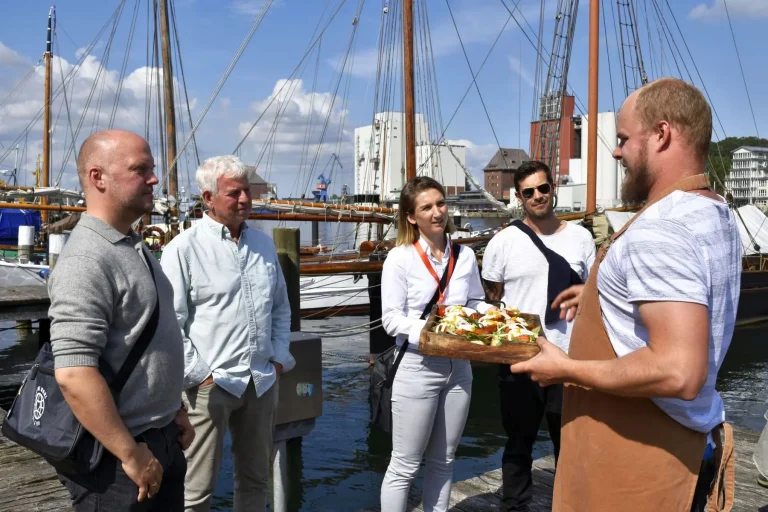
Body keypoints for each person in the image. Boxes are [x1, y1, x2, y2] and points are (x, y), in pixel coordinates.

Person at [511, 78, 741, 512]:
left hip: (634, 466)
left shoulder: (662, 230)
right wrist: (599, 295)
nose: (616, 152)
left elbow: (678, 371)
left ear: (661, 133)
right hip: (674, 449)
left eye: (622, 139)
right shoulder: (714, 211)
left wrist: (567, 368)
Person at [49, 130, 192, 510]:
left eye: (152, 168)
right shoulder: (87, 259)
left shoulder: (131, 245)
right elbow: (74, 373)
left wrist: (173, 409)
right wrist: (130, 454)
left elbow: (146, 340)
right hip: (116, 458)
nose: (154, 179)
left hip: (159, 436)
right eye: (140, 169)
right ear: (98, 177)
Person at [161, 155, 294, 512]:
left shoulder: (264, 245)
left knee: (255, 481)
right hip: (210, 386)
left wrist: (279, 358)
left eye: (246, 191)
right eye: (234, 193)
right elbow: (171, 323)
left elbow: (280, 307)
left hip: (261, 381)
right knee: (195, 489)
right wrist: (200, 376)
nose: (245, 199)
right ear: (208, 198)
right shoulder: (182, 250)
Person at [482, 160, 595, 512]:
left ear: (553, 188)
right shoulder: (503, 241)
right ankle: (515, 507)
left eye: (543, 188)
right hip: (521, 359)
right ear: (519, 197)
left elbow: (591, 298)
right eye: (528, 192)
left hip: (567, 359)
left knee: (571, 446)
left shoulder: (581, 237)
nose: (537, 196)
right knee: (518, 444)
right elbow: (493, 300)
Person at [379, 176, 495, 512]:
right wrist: (434, 332)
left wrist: (496, 315)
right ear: (411, 217)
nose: (437, 212)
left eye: (440, 204)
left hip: (459, 367)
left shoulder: (466, 256)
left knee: (444, 460)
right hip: (417, 365)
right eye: (426, 207)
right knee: (404, 466)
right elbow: (392, 320)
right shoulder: (399, 259)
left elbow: (473, 302)